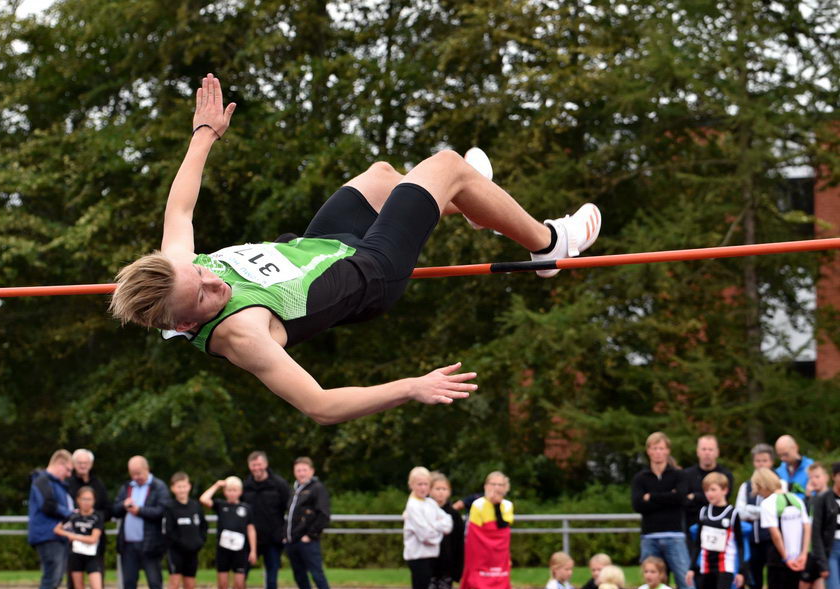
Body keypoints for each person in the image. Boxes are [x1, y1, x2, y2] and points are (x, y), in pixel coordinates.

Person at [109, 74, 602, 425]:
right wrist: (411, 387)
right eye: (204, 295)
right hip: (370, 273)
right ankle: (549, 245)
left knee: (382, 176)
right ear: (184, 326)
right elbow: (320, 406)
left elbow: (180, 210)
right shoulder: (241, 335)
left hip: (323, 246)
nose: (214, 280)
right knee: (447, 165)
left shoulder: (177, 272)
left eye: (202, 272)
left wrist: (204, 134)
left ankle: (473, 203)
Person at [630, 431, 703, 589]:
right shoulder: (640, 478)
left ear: (667, 451)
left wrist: (651, 497)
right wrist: (667, 496)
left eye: (661, 448)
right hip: (649, 538)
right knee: (651, 584)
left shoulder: (679, 475)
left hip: (675, 536)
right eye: (654, 448)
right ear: (648, 451)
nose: (658, 452)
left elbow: (680, 498)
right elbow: (637, 504)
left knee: (686, 584)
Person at [685, 472, 747, 589]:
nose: (709, 494)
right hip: (706, 565)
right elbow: (698, 543)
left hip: (725, 565)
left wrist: (741, 571)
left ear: (724, 490)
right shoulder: (703, 512)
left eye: (713, 489)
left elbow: (740, 544)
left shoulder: (732, 514)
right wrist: (692, 568)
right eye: (706, 490)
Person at [113, 455, 171, 589]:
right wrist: (123, 505)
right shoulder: (127, 487)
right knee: (129, 583)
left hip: (151, 544)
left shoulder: (159, 486)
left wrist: (140, 511)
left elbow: (163, 511)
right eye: (132, 473)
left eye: (138, 473)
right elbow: (114, 510)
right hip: (128, 545)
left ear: (147, 469)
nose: (135, 477)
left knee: (155, 583)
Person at [735, 442, 784, 589]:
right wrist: (762, 511)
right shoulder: (746, 486)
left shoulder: (780, 484)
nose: (761, 464)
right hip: (752, 543)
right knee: (754, 585)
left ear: (771, 462)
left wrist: (754, 512)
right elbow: (740, 511)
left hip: (772, 541)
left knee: (774, 584)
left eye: (764, 460)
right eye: (757, 461)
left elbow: (779, 510)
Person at [754, 467, 810, 589]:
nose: (757, 492)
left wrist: (785, 557)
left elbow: (775, 534)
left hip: (779, 556)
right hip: (796, 556)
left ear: (762, 485)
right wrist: (803, 554)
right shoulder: (795, 498)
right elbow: (807, 527)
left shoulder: (767, 503)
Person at [241, 451, 291, 589]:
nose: (257, 468)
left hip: (273, 540)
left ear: (266, 464)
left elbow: (291, 509)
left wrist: (284, 533)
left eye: (259, 464)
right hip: (249, 541)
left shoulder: (279, 484)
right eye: (253, 465)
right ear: (249, 466)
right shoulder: (245, 486)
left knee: (271, 580)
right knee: (240, 579)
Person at [27, 449, 74, 589]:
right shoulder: (42, 480)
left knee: (55, 578)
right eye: (68, 470)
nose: (69, 475)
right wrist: (70, 514)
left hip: (56, 536)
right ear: (59, 463)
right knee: (51, 578)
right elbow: (47, 505)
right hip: (47, 535)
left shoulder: (55, 483)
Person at [201, 476, 257, 589]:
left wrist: (253, 550)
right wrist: (217, 485)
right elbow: (204, 499)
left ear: (240, 491)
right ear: (225, 492)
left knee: (239, 585)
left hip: (240, 551)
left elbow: (251, 529)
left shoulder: (246, 508)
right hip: (223, 551)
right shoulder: (221, 505)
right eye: (229, 490)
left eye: (235, 490)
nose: (232, 493)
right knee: (222, 585)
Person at [456, 471, 513, 589]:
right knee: (481, 585)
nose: (496, 488)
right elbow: (476, 533)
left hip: (498, 554)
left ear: (505, 487)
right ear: (486, 486)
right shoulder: (478, 504)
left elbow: (503, 527)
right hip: (482, 552)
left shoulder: (507, 505)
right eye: (493, 484)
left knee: (499, 585)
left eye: (500, 485)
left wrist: (497, 505)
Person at [285, 457, 332, 589]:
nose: (301, 473)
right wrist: (286, 535)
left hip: (308, 542)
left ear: (312, 471)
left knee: (317, 576)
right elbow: (290, 516)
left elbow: (324, 515)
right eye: (298, 470)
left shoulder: (317, 488)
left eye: (304, 470)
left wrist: (310, 535)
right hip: (293, 542)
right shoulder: (295, 489)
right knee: (300, 578)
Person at [66, 448, 109, 589]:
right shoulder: (68, 483)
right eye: (79, 463)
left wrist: (92, 518)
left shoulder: (98, 484)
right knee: (76, 588)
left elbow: (108, 509)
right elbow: (61, 518)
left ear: (90, 464)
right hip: (74, 549)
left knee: (97, 587)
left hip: (95, 547)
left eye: (85, 463)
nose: (82, 465)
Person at [54, 486, 107, 589]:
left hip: (92, 557)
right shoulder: (73, 516)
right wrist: (68, 534)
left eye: (89, 499)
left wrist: (75, 536)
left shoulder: (97, 517)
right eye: (84, 499)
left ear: (94, 500)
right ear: (78, 500)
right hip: (76, 556)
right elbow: (57, 529)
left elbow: (93, 539)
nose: (86, 502)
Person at [402, 467, 452, 589]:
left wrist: (433, 526)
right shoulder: (413, 506)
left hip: (430, 556)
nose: (423, 488)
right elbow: (425, 535)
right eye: (419, 484)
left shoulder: (430, 503)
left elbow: (448, 523)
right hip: (417, 557)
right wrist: (438, 531)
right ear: (411, 485)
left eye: (426, 484)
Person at [165, 472, 207, 589]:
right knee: (174, 584)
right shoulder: (170, 507)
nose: (182, 489)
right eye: (179, 487)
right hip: (176, 552)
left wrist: (199, 542)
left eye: (184, 486)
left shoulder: (195, 506)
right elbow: (169, 531)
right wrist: (181, 544)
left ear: (189, 486)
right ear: (173, 488)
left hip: (192, 552)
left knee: (190, 586)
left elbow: (203, 527)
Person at [424, 472, 464, 589]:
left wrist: (458, 570)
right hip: (428, 567)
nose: (441, 492)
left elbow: (459, 544)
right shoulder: (423, 512)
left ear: (449, 492)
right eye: (437, 488)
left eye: (444, 489)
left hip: (446, 569)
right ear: (430, 490)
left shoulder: (454, 515)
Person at [682, 435, 734, 536]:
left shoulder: (725, 475)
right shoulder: (686, 475)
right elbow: (684, 501)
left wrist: (695, 496)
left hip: (719, 529)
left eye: (710, 449)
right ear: (697, 452)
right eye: (704, 449)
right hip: (691, 528)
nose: (707, 453)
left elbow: (723, 499)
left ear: (717, 452)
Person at [799, 462, 830, 589]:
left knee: (804, 587)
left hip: (821, 550)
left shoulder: (829, 498)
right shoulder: (811, 500)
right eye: (811, 478)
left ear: (826, 477)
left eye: (817, 477)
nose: (814, 481)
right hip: (811, 550)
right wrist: (807, 497)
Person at [820, 462, 840, 589]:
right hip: (832, 549)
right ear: (834, 476)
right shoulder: (824, 499)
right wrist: (822, 561)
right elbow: (816, 532)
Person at [775, 435, 814, 499]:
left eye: (785, 454)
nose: (782, 458)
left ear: (795, 448)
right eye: (779, 455)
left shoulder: (811, 468)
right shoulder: (778, 472)